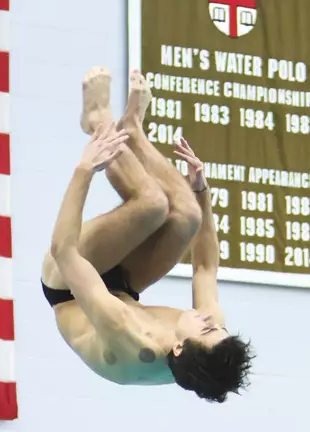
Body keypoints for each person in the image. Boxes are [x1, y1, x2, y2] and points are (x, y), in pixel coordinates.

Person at [41, 67, 254, 402]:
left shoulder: (128, 333)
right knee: (188, 216)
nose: (211, 318)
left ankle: (98, 123)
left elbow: (63, 251)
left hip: (68, 285)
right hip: (121, 286)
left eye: (208, 327)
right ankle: (133, 130)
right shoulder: (205, 345)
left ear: (180, 347)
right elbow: (204, 268)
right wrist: (201, 189)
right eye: (220, 327)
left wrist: (85, 169)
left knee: (153, 205)